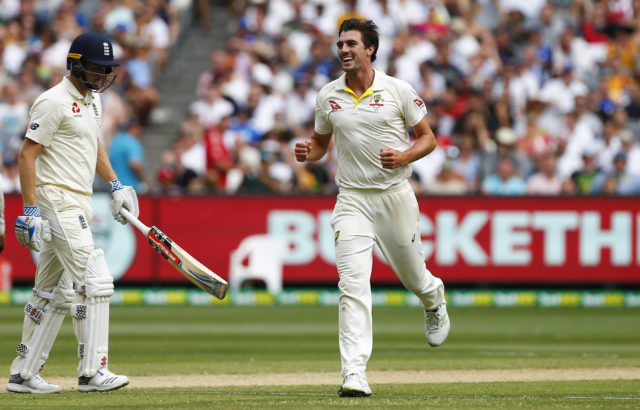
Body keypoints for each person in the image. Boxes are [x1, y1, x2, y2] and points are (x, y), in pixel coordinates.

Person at [294, 18, 449, 398]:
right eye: (340, 44)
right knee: (353, 285)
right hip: (352, 200)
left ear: (370, 49)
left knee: (414, 277)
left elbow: (428, 139)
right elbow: (319, 143)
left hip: (395, 195)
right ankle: (354, 372)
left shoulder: (397, 90)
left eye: (351, 44)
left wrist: (403, 155)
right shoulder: (328, 95)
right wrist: (307, 153)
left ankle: (434, 299)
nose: (343, 50)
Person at [7, 32, 139, 394]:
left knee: (55, 291)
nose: (103, 76)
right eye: (97, 69)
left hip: (78, 199)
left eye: (108, 70)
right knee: (94, 280)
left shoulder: (93, 101)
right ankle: (93, 372)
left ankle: (24, 374)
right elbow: (27, 155)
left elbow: (92, 144)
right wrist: (30, 209)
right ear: (76, 65)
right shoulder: (52, 101)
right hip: (55, 199)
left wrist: (115, 185)